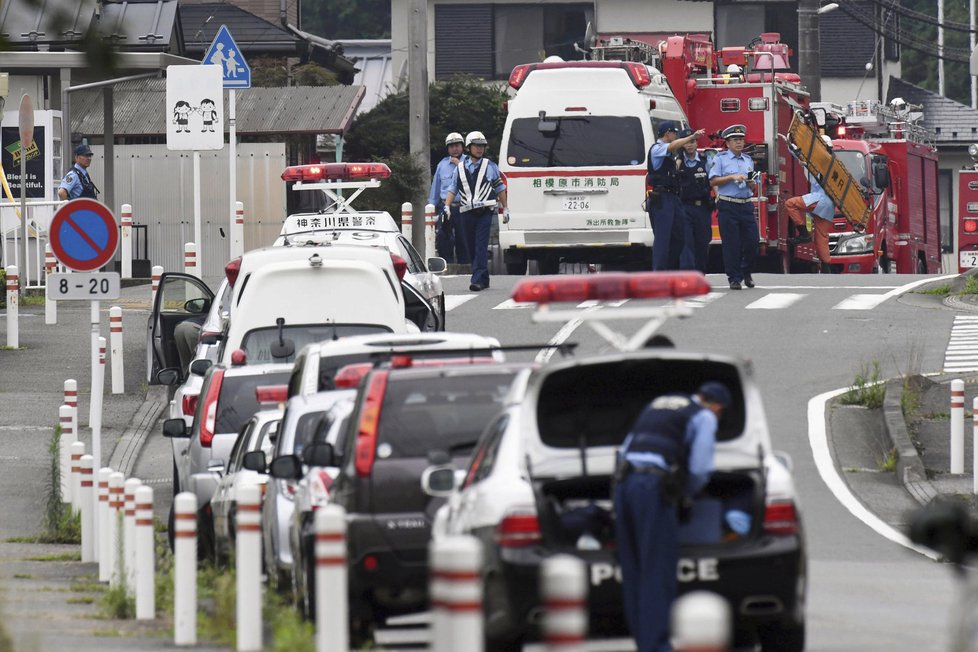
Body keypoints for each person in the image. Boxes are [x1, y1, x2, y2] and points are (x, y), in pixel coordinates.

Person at [614, 381, 730, 652]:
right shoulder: (703, 417)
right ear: (717, 407)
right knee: (657, 570)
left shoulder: (656, 405)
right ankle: (656, 646)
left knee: (634, 569)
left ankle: (643, 641)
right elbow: (701, 469)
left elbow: (624, 449)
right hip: (651, 489)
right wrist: (683, 493)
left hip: (623, 484)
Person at [443, 131, 508, 292]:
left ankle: (477, 279)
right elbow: (452, 188)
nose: (480, 149)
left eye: (482, 146)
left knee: (480, 245)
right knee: (470, 247)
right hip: (465, 212)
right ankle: (483, 278)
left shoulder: (490, 166)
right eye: (476, 146)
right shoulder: (459, 168)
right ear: (469, 147)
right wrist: (447, 206)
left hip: (485, 212)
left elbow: (500, 188)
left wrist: (505, 208)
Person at [648, 121, 706, 270]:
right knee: (663, 239)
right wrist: (691, 136)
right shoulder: (657, 149)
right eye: (674, 133)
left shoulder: (671, 155)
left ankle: (671, 271)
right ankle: (659, 276)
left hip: (674, 198)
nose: (676, 137)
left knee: (679, 237)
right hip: (662, 199)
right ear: (668, 133)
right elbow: (672, 146)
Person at [709, 124, 757, 290]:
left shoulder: (748, 160)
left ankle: (746, 270)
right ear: (727, 143)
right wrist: (731, 177)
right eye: (735, 140)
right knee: (732, 244)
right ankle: (734, 278)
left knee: (752, 242)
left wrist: (751, 183)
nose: (739, 142)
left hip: (746, 205)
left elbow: (753, 186)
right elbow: (713, 181)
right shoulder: (720, 159)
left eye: (741, 139)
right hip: (728, 205)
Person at [786, 135, 839, 273]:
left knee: (790, 204)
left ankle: (803, 233)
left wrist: (790, 144)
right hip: (829, 206)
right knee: (822, 238)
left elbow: (799, 155)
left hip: (819, 199)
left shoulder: (821, 160)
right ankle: (827, 268)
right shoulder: (833, 163)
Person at [675, 128, 713, 273]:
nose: (690, 145)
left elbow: (713, 181)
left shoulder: (706, 160)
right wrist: (678, 159)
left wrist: (718, 199)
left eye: (693, 142)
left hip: (702, 207)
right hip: (684, 207)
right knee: (686, 241)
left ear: (697, 143)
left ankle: (700, 272)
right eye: (687, 142)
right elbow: (673, 177)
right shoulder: (678, 162)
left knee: (702, 242)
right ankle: (687, 274)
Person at [428, 132, 466, 263]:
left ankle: (466, 266)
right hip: (446, 207)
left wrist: (459, 165)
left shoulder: (469, 162)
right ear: (447, 148)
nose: (454, 148)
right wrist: (431, 207)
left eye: (457, 145)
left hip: (464, 207)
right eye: (451, 146)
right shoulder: (442, 165)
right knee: (444, 238)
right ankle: (446, 265)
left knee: (464, 239)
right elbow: (436, 187)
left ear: (462, 146)